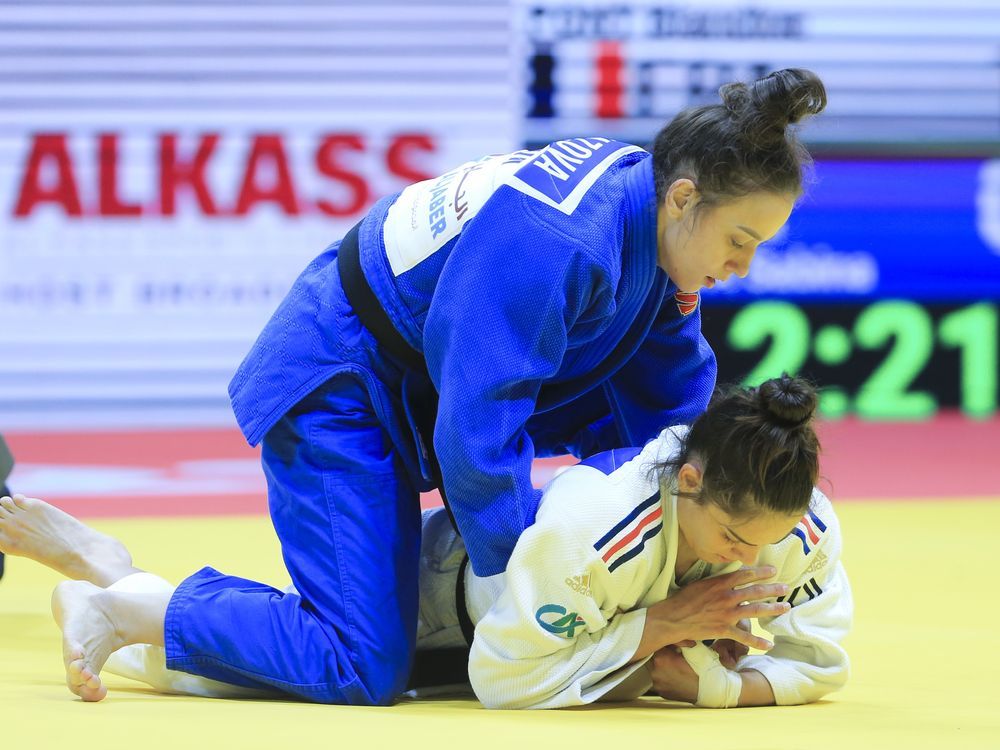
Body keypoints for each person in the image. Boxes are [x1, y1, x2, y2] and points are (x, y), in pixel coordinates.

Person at [24, 68, 830, 705]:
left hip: (422, 386)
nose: (743, 266)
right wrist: (524, 579)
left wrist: (694, 573)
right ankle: (126, 602)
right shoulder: (560, 239)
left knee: (445, 644)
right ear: (684, 198)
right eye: (740, 239)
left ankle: (116, 575)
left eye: (759, 245)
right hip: (341, 381)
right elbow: (479, 425)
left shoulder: (654, 233)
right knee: (365, 663)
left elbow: (673, 431)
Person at [0, 375, 851, 708]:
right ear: (689, 481)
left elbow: (822, 659)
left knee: (301, 655)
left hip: (537, 625)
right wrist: (660, 629)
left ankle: (108, 573)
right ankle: (117, 594)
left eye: (767, 542)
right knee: (295, 671)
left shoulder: (796, 523)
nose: (750, 561)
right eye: (731, 537)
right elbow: (504, 677)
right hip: (451, 606)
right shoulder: (595, 530)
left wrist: (719, 690)